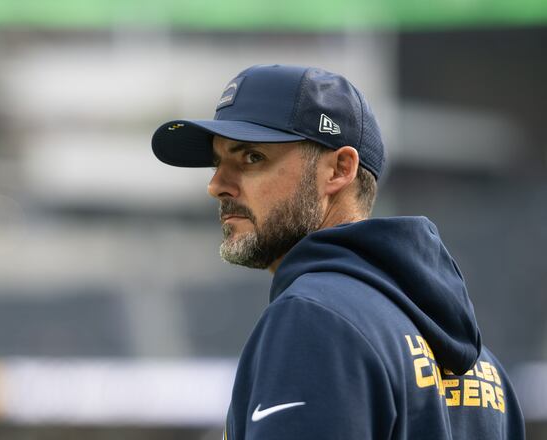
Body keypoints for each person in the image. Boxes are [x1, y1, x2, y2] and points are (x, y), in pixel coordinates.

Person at [150, 64, 525, 439]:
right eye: (218, 163)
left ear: (339, 169)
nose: (216, 185)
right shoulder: (485, 368)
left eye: (251, 157)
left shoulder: (313, 319)